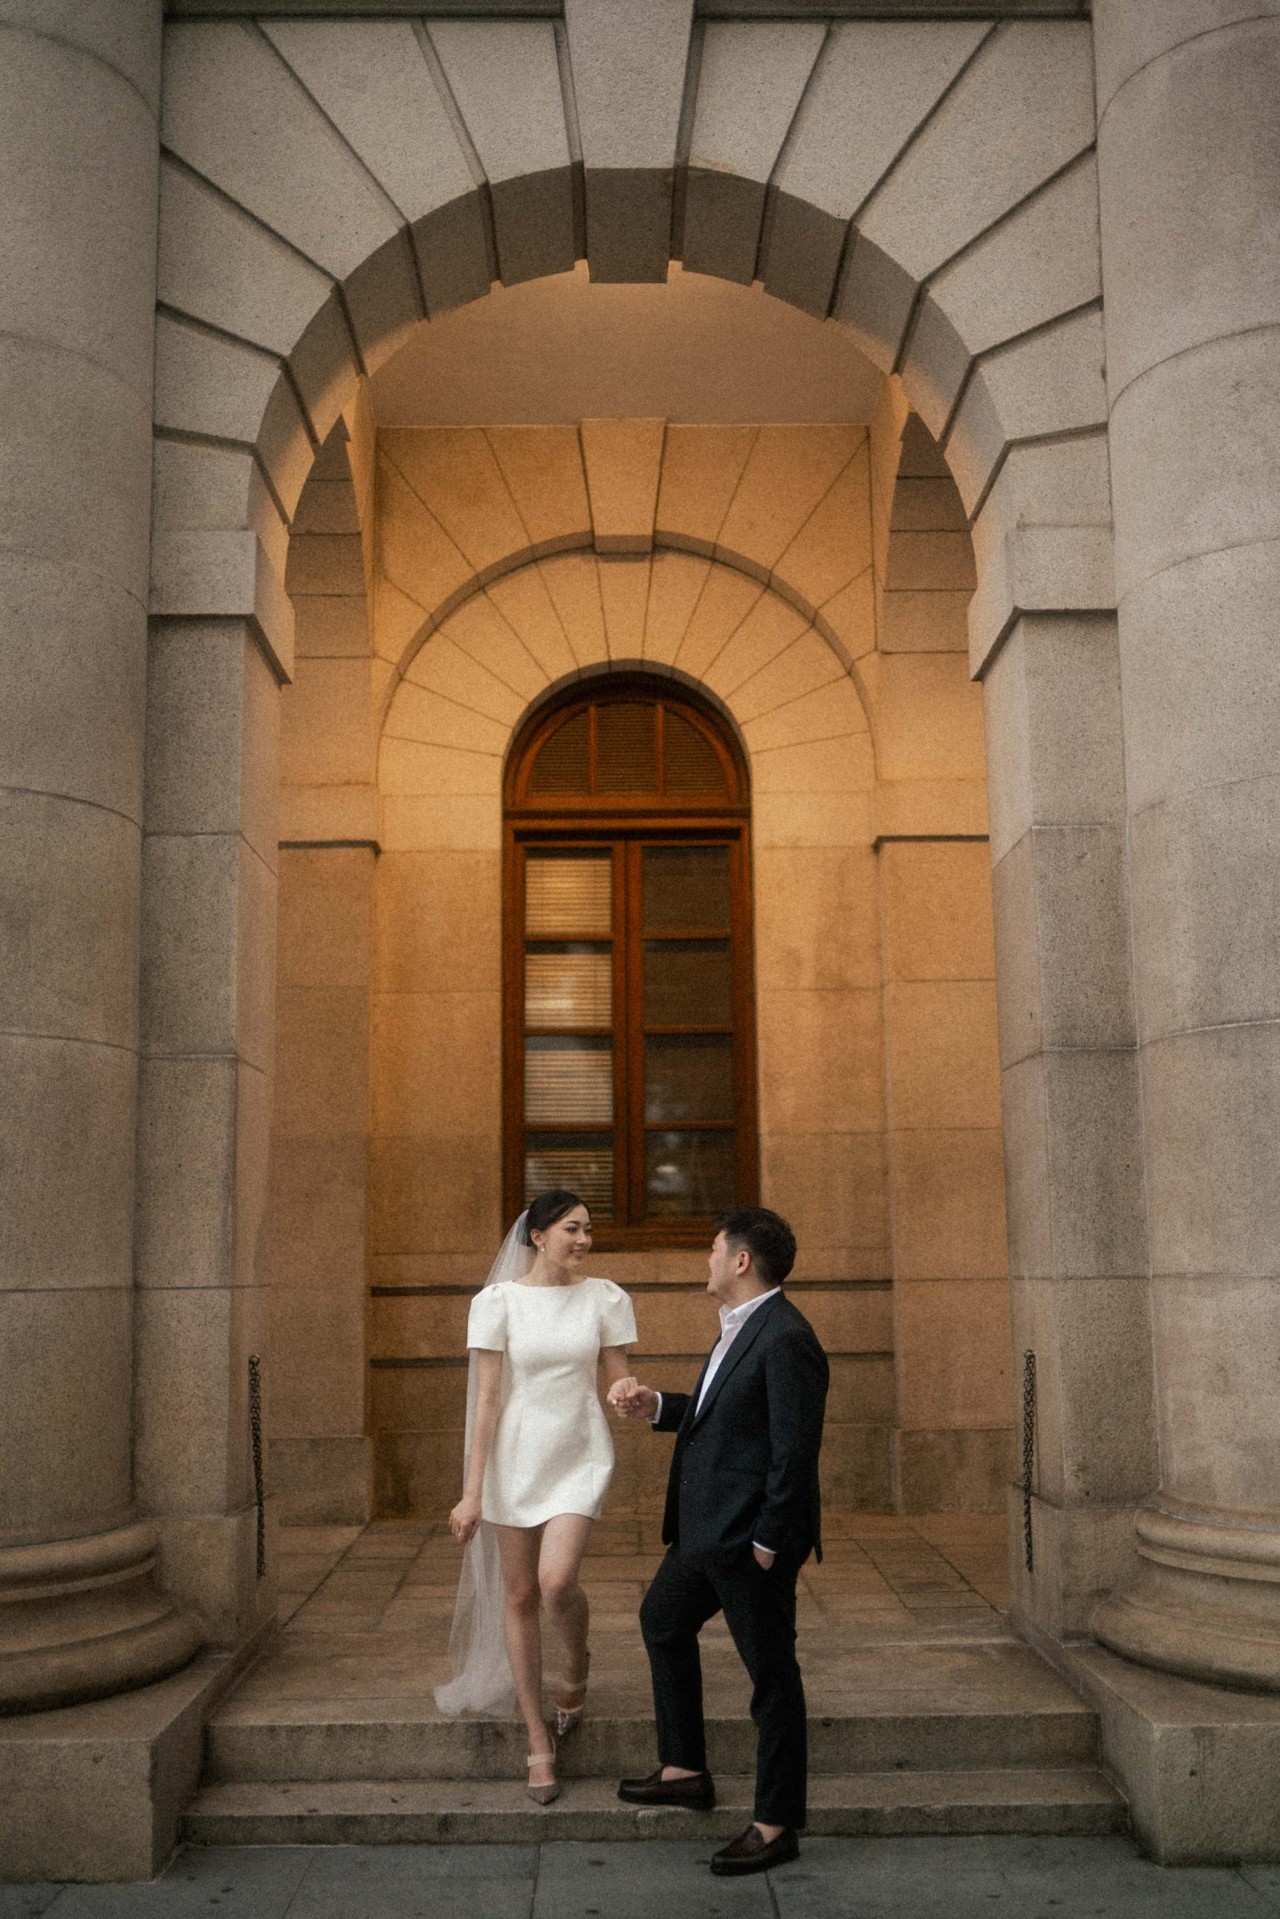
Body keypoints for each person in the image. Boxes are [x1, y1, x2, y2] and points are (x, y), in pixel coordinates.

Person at [608, 1207, 827, 1876]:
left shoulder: (786, 1336)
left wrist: (768, 1541)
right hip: (705, 1533)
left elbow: (794, 1451)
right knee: (662, 1620)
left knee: (772, 1679)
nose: (706, 1260)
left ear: (740, 1260)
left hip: (748, 1543)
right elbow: (722, 1417)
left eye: (713, 1249)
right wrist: (660, 1406)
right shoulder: (740, 1324)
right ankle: (683, 1770)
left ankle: (775, 1824)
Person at [436, 1191, 637, 1805]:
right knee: (521, 1594)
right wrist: (472, 1493)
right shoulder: (496, 1303)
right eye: (572, 1229)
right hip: (514, 1458)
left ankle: (576, 1664)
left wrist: (626, 1390)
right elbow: (487, 1401)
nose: (584, 1240)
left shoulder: (605, 1297)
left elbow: (617, 1371)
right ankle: (537, 1738)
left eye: (589, 1230)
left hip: (579, 1452)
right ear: (539, 1236)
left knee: (556, 1581)